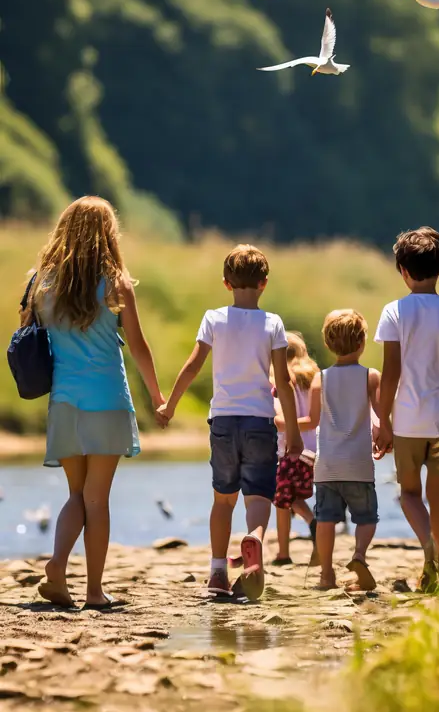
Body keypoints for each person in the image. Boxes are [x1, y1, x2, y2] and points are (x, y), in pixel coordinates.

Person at [22, 196, 164, 610]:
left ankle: (58, 568)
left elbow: (28, 338)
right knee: (97, 499)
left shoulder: (42, 283)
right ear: (108, 235)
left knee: (75, 495)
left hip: (64, 402)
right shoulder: (116, 285)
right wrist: (158, 397)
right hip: (107, 400)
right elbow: (137, 346)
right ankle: (94, 591)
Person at [157, 244, 302, 600]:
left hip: (223, 420)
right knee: (259, 497)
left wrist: (170, 405)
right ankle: (255, 536)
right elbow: (282, 381)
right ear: (264, 283)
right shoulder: (273, 323)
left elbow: (192, 366)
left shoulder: (214, 318)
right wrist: (294, 432)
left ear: (226, 283)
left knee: (223, 500)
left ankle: (218, 571)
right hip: (259, 422)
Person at [373, 227, 439, 591]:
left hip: (407, 421)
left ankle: (429, 550)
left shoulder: (393, 312)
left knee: (408, 493)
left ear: (402, 271)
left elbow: (391, 373)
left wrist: (383, 422)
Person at [301, 309, 380, 592]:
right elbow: (381, 416)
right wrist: (384, 436)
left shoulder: (320, 378)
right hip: (359, 464)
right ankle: (359, 556)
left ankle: (326, 575)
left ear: (327, 343)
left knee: (325, 520)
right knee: (367, 517)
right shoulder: (371, 377)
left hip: (328, 465)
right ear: (362, 343)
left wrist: (282, 421)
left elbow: (310, 421)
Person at [272, 332, 319, 566]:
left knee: (282, 499)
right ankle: (311, 526)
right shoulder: (313, 378)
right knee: (292, 497)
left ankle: (285, 551)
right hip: (312, 449)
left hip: (288, 448)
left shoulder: (280, 379)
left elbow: (279, 417)